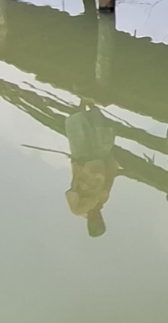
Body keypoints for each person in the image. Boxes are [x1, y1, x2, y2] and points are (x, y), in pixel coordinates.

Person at [64, 102, 120, 238]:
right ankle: (90, 102)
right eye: (100, 221)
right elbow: (109, 178)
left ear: (89, 223)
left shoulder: (78, 209)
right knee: (98, 128)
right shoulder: (102, 200)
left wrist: (79, 168)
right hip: (99, 158)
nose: (98, 219)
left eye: (95, 223)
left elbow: (72, 190)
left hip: (83, 161)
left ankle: (82, 102)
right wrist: (114, 165)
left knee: (79, 126)